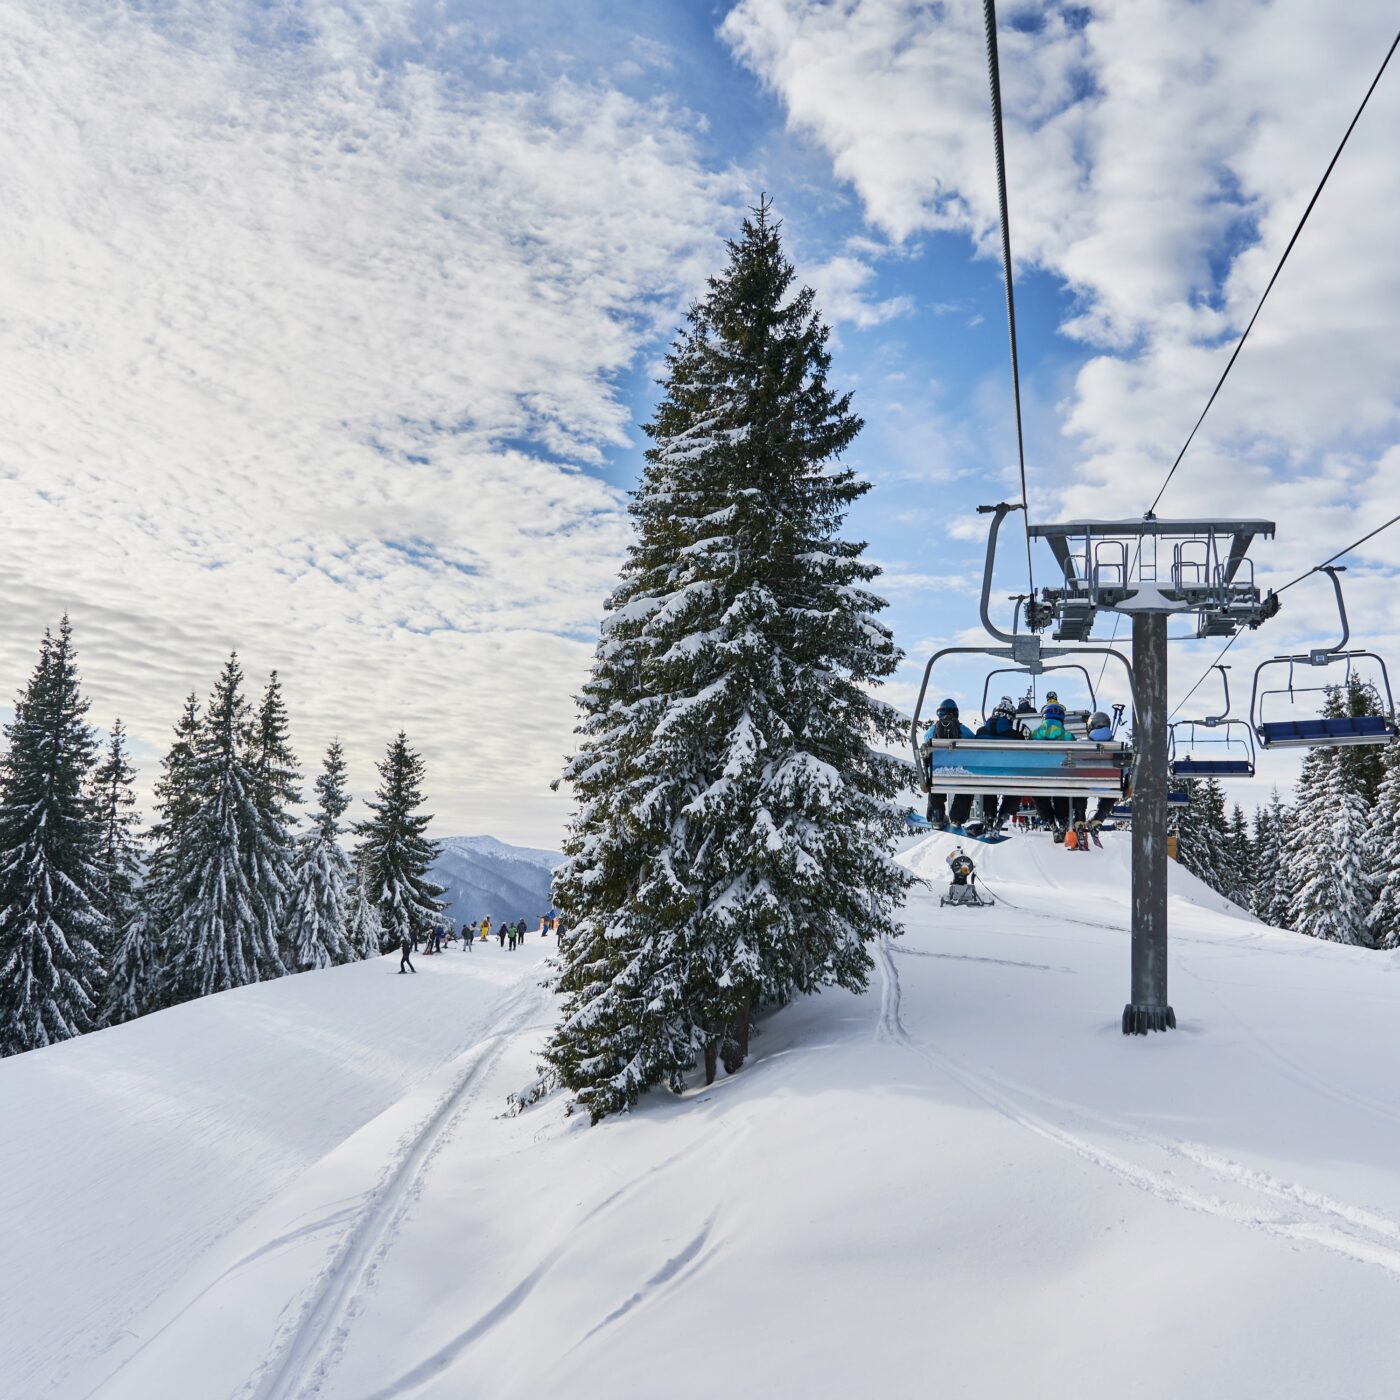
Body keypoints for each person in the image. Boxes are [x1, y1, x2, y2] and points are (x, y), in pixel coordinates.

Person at [922, 698, 975, 829]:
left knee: (935, 781)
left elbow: (925, 741)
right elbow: (974, 741)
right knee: (967, 786)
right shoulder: (963, 730)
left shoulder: (933, 730)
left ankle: (936, 814)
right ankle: (957, 818)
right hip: (960, 775)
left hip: (938, 776)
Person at [975, 695, 1024, 830]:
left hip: (986, 774)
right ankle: (1003, 815)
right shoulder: (1015, 735)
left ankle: (989, 815)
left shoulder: (980, 732)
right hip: (1009, 775)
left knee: (987, 780)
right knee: (1017, 784)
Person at [1030, 698, 1075, 840]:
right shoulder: (1068, 736)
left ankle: (1050, 821)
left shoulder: (1034, 735)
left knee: (1038, 791)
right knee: (1061, 790)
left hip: (1040, 778)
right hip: (1061, 778)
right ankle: (1062, 821)